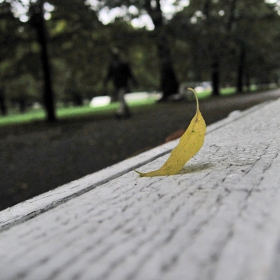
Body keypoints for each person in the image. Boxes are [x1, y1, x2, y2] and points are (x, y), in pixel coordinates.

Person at [104, 49, 137, 119]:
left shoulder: (123, 64)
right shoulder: (113, 65)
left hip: (123, 83)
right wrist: (106, 81)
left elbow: (129, 74)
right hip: (117, 84)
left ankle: (119, 112)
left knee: (121, 97)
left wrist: (134, 81)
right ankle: (127, 112)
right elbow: (109, 74)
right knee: (121, 97)